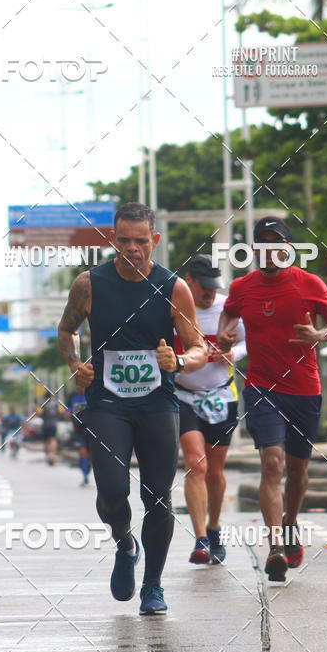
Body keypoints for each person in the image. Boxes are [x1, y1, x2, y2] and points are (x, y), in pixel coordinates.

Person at [58, 202, 207, 615]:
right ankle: (125, 543)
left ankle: (153, 587)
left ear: (154, 241)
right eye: (123, 240)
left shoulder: (173, 287)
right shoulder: (89, 284)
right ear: (112, 239)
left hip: (157, 403)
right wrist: (75, 364)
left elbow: (198, 347)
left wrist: (176, 361)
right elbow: (67, 329)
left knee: (158, 496)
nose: (132, 249)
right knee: (110, 492)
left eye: (141, 241)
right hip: (106, 403)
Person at [217, 216, 327, 582]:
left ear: (287, 249)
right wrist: (224, 334)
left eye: (277, 244)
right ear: (254, 249)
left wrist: (318, 335)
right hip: (261, 387)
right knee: (272, 464)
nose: (270, 250)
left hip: (305, 389)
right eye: (263, 243)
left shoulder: (308, 283)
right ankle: (275, 546)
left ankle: (290, 523)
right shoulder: (243, 287)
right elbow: (229, 312)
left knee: (298, 470)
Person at [174, 255, 246, 565]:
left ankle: (215, 527)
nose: (210, 294)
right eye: (204, 288)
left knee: (215, 472)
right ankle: (200, 539)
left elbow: (249, 341)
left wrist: (233, 353)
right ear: (189, 281)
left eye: (213, 288)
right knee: (196, 464)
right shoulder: (172, 305)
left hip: (221, 395)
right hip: (184, 396)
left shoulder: (228, 307)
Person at [64, 390, 91, 485]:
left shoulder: (91, 394)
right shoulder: (72, 397)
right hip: (78, 430)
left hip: (91, 428)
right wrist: (67, 413)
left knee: (89, 454)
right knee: (82, 452)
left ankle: (87, 468)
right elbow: (67, 409)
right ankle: (85, 475)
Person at [37, 390, 59, 465]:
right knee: (53, 439)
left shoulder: (43, 405)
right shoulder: (56, 404)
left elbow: (39, 413)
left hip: (46, 424)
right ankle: (53, 455)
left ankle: (49, 455)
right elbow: (62, 412)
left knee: (46, 441)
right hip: (54, 424)